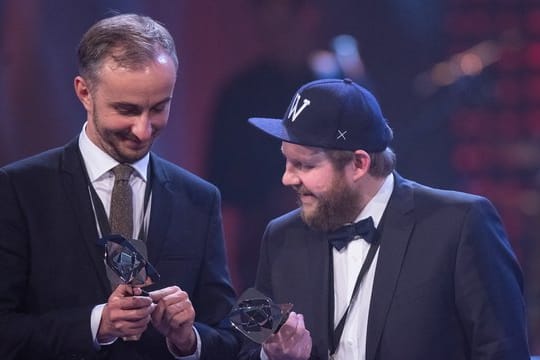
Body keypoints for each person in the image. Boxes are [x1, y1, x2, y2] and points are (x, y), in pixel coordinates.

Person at [0, 14, 239, 360]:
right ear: (84, 92)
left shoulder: (199, 199)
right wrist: (98, 324)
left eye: (158, 108)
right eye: (126, 110)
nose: (143, 130)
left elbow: (227, 337)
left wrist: (188, 340)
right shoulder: (19, 191)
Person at [238, 78, 530, 359]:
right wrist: (271, 356)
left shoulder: (461, 225)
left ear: (359, 163)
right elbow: (244, 346)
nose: (287, 177)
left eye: (305, 164)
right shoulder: (279, 237)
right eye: (287, 160)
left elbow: (501, 350)